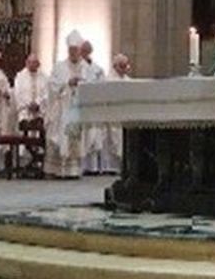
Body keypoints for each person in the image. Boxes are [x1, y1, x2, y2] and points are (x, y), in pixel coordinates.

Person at [47, 32, 92, 178]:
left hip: (76, 108)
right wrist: (67, 83)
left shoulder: (86, 67)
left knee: (75, 137)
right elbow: (52, 85)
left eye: (76, 50)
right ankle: (57, 170)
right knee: (61, 137)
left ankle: (74, 170)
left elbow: (91, 84)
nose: (73, 53)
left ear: (80, 51)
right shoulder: (59, 67)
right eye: (71, 50)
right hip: (62, 108)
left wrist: (81, 84)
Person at [83, 53, 130, 175]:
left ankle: (122, 166)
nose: (124, 69)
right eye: (122, 66)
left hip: (124, 114)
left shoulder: (128, 81)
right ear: (115, 66)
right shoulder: (108, 80)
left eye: (125, 66)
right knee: (110, 140)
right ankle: (109, 167)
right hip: (111, 114)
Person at [13, 54, 48, 134]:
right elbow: (18, 94)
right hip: (25, 111)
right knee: (25, 130)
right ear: (26, 63)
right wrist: (29, 104)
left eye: (34, 62)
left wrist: (37, 103)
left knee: (40, 129)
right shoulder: (20, 77)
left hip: (40, 111)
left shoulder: (44, 77)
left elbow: (46, 93)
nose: (32, 64)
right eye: (30, 62)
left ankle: (38, 146)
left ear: (38, 64)